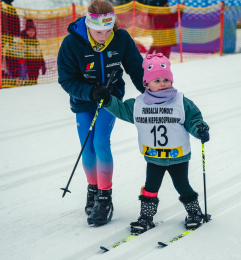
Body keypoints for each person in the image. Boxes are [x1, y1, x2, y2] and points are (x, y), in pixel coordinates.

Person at [92, 53, 210, 233]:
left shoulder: (180, 102)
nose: (162, 83)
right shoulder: (138, 104)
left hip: (178, 156)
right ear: (146, 84)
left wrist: (200, 129)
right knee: (150, 188)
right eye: (156, 80)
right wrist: (107, 99)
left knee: (182, 186)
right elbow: (121, 110)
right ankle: (146, 217)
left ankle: (195, 213)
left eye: (165, 79)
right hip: (154, 157)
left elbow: (193, 119)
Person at [57, 0, 145, 226]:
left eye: (108, 30)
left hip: (110, 99)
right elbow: (66, 79)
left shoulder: (121, 38)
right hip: (84, 100)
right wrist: (90, 91)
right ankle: (93, 189)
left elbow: (137, 69)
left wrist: (152, 92)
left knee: (100, 142)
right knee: (87, 148)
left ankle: (105, 198)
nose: (103, 35)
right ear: (88, 25)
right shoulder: (72, 43)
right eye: (98, 32)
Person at [21, 19, 46, 85]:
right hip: (28, 67)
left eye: (33, 30)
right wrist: (24, 66)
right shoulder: (23, 41)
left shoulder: (35, 40)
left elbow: (39, 53)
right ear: (26, 31)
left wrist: (43, 64)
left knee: (34, 83)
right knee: (29, 85)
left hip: (36, 67)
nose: (31, 32)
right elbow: (22, 54)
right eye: (29, 30)